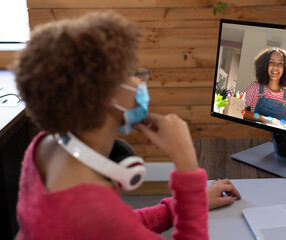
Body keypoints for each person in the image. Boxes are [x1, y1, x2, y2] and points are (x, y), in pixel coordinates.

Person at [11, 12, 240, 239]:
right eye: (130, 73)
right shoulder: (93, 213)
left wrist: (188, 204)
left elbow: (114, 227)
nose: (138, 82)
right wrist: (186, 165)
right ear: (110, 95)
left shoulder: (44, 146)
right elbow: (104, 223)